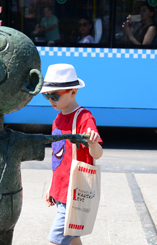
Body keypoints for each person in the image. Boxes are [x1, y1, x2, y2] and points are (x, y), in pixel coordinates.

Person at [41, 64, 103, 245]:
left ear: (73, 92)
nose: (51, 100)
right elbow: (57, 159)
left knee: (56, 240)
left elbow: (97, 154)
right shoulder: (57, 119)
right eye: (47, 95)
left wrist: (92, 142)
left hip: (75, 191)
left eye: (55, 95)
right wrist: (52, 186)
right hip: (61, 190)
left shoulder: (84, 117)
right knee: (74, 237)